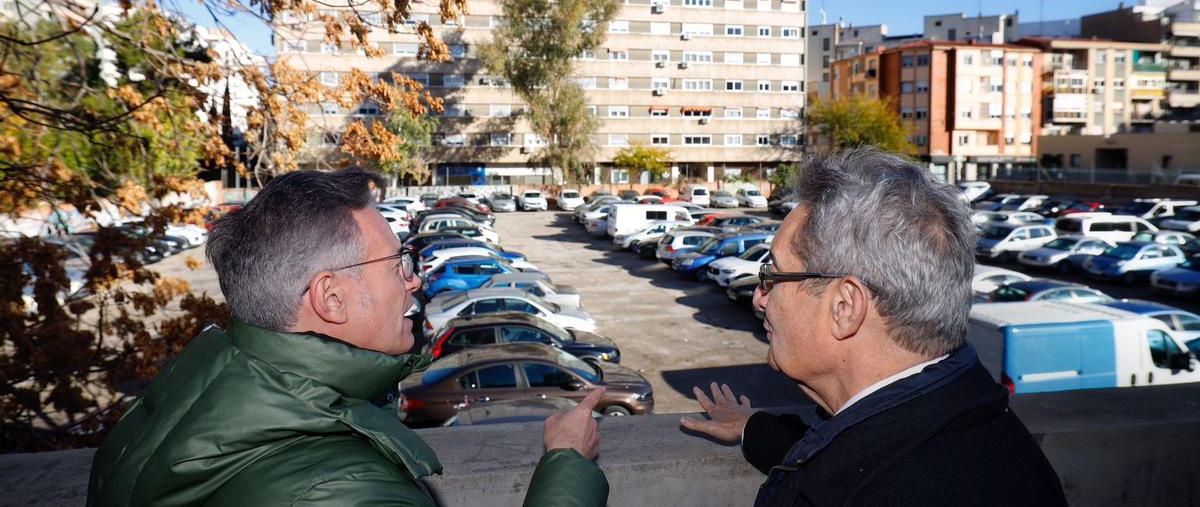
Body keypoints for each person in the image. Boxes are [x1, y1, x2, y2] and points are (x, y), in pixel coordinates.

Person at [87, 168, 607, 506]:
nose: (414, 280)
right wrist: (567, 464)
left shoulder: (174, 407)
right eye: (397, 263)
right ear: (330, 298)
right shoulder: (344, 490)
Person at [680, 148, 1065, 506]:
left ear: (844, 307)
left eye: (773, 275)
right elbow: (854, 454)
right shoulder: (967, 422)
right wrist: (753, 428)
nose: (759, 298)